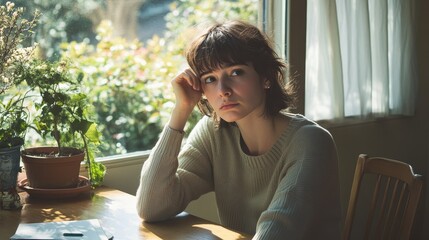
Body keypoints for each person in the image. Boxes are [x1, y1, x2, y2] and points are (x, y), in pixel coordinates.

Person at [136, 20, 341, 239]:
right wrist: (181, 110)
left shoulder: (311, 141)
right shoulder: (214, 132)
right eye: (210, 79)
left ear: (266, 77)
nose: (223, 90)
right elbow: (151, 207)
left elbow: (277, 231)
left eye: (236, 73)